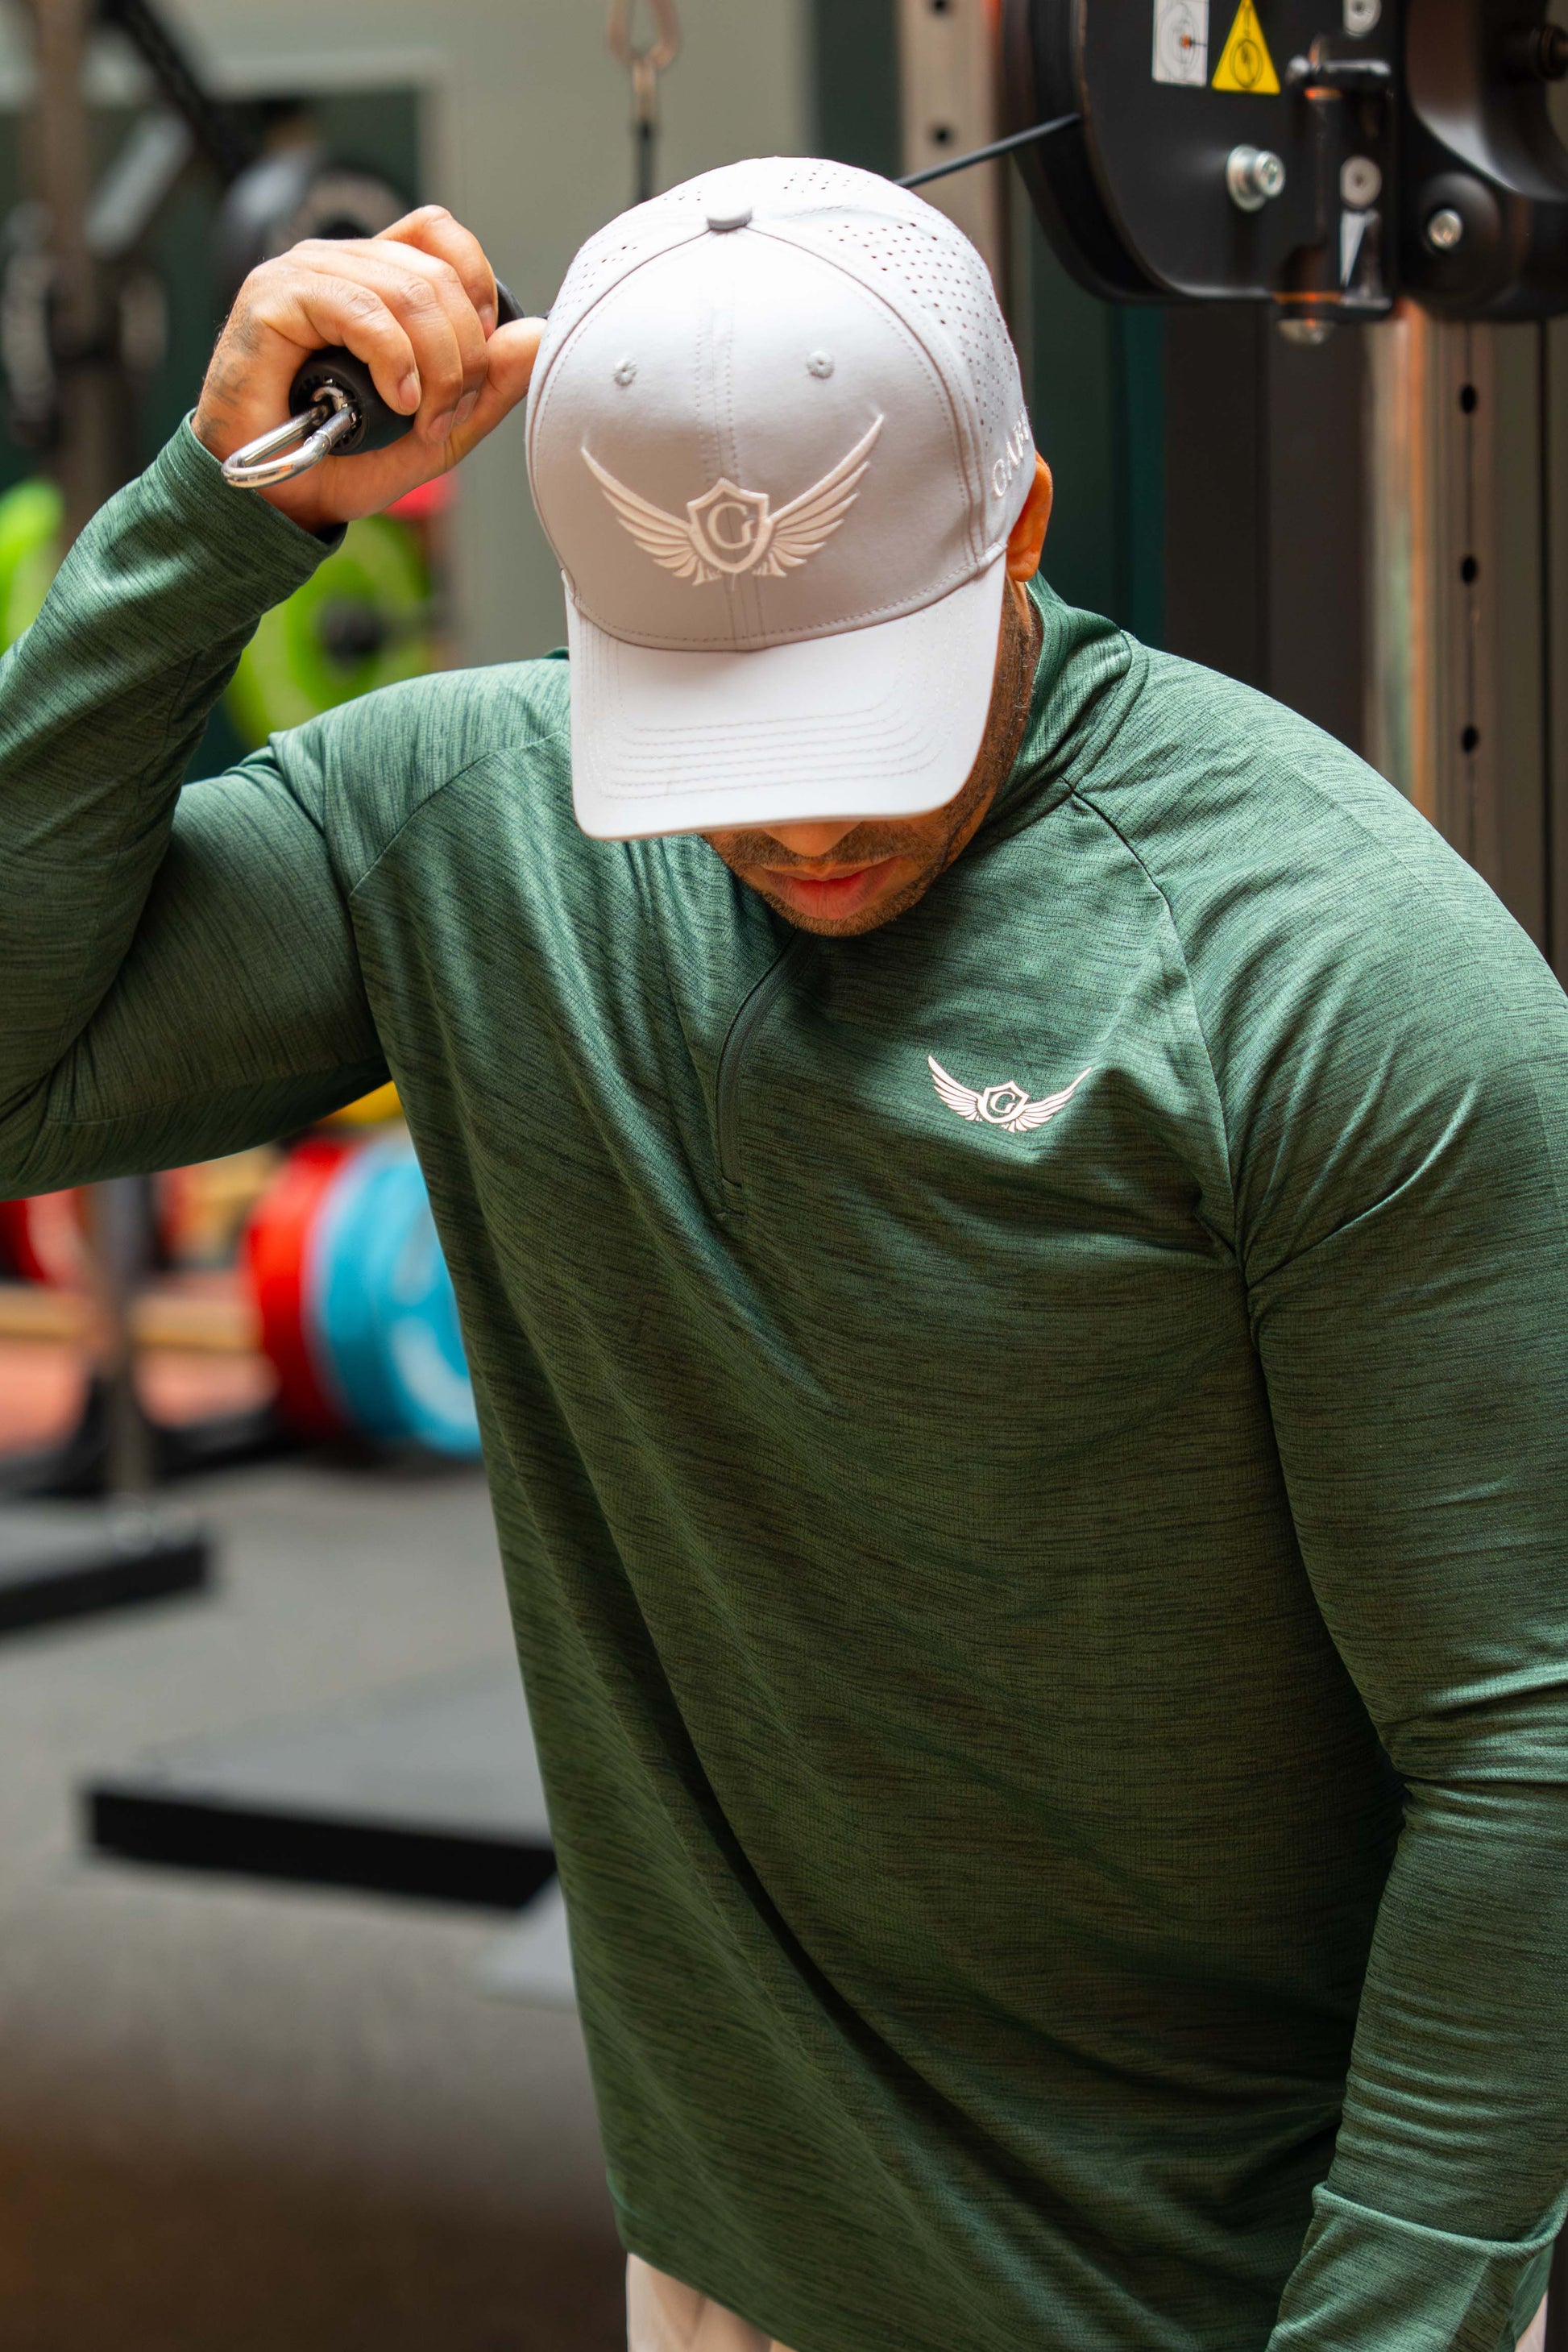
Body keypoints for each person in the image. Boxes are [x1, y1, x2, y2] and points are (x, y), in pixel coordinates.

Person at [2, 154, 1566, 2352]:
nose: (808, 820)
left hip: (1227, 2299)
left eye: (859, 717)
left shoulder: (1339, 982)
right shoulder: (467, 832)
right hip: (733, 2264)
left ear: (1015, 530)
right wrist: (216, 514)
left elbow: (1525, 1755)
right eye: (723, 731)